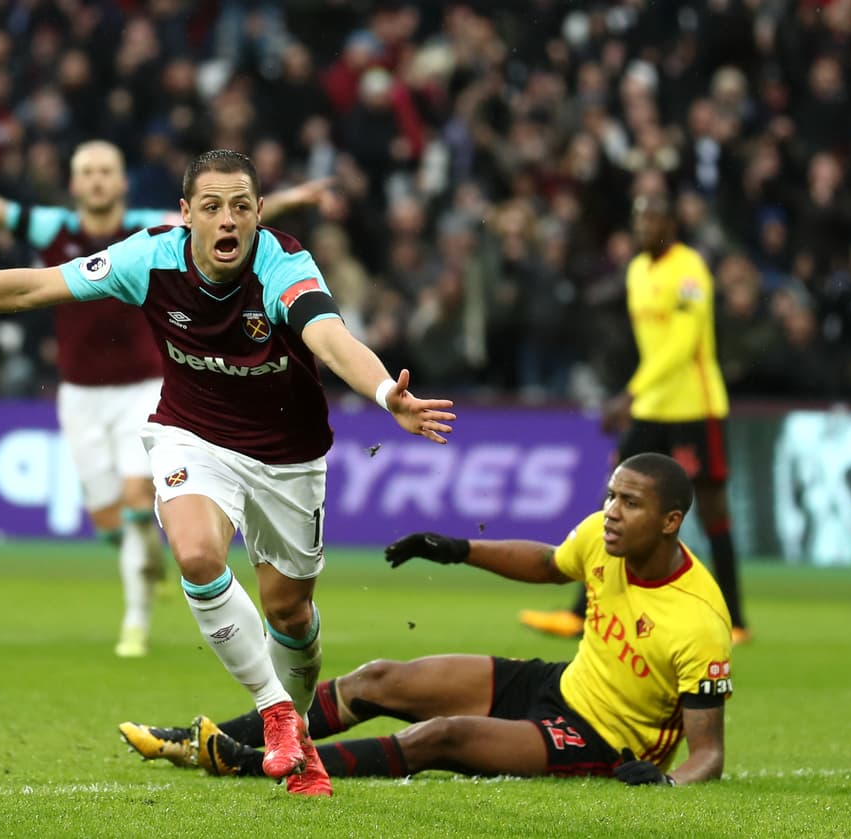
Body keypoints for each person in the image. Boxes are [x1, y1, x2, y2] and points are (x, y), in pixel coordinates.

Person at [0, 148, 456, 797]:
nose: (227, 219)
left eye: (241, 205)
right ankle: (277, 710)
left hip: (288, 458)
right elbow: (31, 286)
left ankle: (298, 734)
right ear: (186, 215)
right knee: (198, 554)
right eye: (212, 207)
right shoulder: (149, 256)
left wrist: (383, 393)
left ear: (260, 212)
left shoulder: (283, 264)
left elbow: (328, 336)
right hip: (193, 433)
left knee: (289, 612)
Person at [0, 117, 333, 658]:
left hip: (148, 388)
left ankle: (137, 623)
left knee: (139, 501)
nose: (95, 181)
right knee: (111, 521)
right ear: (74, 184)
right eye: (86, 172)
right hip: (80, 395)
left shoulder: (154, 228)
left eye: (106, 172)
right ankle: (149, 557)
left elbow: (226, 219)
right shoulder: (54, 230)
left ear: (121, 183)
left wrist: (291, 200)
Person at [119, 453, 731, 786]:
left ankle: (248, 764)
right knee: (381, 679)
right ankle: (211, 736)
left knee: (442, 736)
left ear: (671, 521)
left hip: (602, 740)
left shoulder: (698, 620)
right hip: (559, 685)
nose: (611, 513)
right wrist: (458, 548)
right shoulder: (603, 538)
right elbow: (549, 564)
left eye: (630, 502)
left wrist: (667, 783)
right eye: (610, 496)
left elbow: (709, 755)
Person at [520, 192, 751, 646]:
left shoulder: (689, 272)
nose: (644, 226)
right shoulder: (637, 271)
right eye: (639, 218)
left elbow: (682, 346)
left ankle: (735, 617)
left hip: (693, 407)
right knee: (616, 501)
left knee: (711, 510)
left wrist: (629, 393)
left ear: (671, 223)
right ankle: (582, 611)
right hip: (650, 408)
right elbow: (647, 345)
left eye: (654, 218)